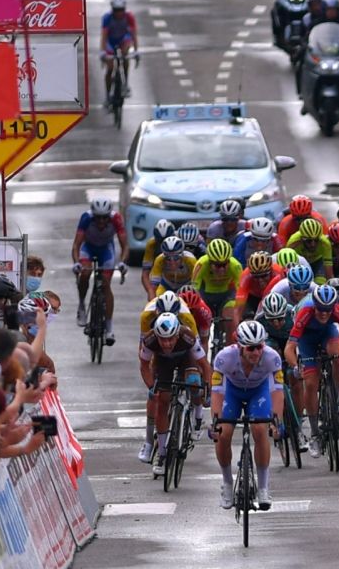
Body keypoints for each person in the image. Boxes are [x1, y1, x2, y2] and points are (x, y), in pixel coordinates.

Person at [211, 320, 286, 510]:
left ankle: (263, 487)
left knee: (260, 430)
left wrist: (277, 421)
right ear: (240, 347)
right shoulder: (224, 358)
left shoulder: (272, 357)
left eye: (260, 347)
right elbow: (217, 392)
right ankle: (227, 483)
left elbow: (277, 392)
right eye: (251, 348)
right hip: (232, 392)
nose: (256, 352)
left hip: (258, 392)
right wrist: (215, 422)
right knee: (223, 434)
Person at [139, 313, 212, 475]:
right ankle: (162, 453)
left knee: (194, 382)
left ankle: (198, 416)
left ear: (177, 334)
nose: (167, 343)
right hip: (162, 362)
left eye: (170, 339)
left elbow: (205, 366)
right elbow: (144, 366)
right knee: (162, 400)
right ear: (156, 336)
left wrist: (207, 389)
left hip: (187, 358)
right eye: (163, 339)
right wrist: (151, 387)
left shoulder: (187, 337)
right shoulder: (149, 340)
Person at [284, 284, 339, 457]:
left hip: (328, 333)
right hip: (307, 340)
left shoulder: (338, 311)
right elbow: (289, 348)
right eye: (320, 309)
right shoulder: (305, 312)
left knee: (337, 355)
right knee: (311, 383)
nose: (324, 314)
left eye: (328, 310)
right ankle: (314, 434)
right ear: (314, 305)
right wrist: (296, 367)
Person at [71, 199, 128, 342]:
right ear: (93, 215)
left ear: (109, 215)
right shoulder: (86, 218)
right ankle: (82, 304)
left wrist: (122, 262)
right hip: (88, 248)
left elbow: (125, 246)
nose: (101, 221)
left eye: (104, 217)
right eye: (98, 217)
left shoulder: (116, 218)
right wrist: (76, 263)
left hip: (106, 250)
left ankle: (109, 329)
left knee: (105, 285)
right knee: (85, 273)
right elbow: (76, 245)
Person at [100, 0, 137, 105]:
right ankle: (107, 95)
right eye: (116, 10)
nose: (119, 13)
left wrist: (136, 50)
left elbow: (134, 34)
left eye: (121, 10)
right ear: (112, 10)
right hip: (110, 41)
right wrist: (102, 52)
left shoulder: (129, 17)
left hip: (123, 39)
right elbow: (104, 36)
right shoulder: (107, 18)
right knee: (110, 68)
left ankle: (125, 83)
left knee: (125, 55)